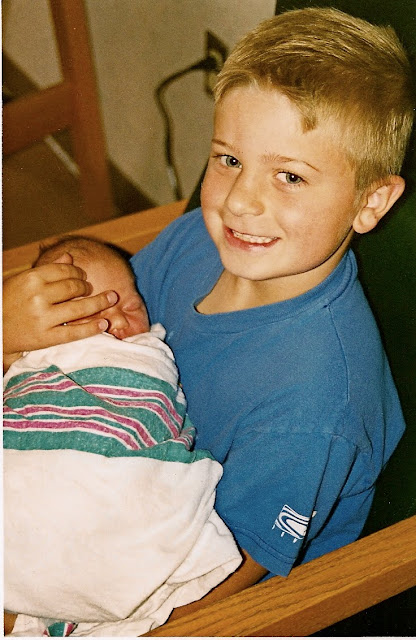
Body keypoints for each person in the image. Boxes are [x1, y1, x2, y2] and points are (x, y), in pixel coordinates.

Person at [2, 6, 414, 630]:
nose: (241, 201)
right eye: (228, 160)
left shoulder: (318, 405)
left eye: (290, 176)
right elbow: (104, 337)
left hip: (171, 586)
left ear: (371, 201)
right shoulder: (197, 237)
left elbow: (229, 571)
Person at [3, 236, 241, 636]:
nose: (114, 323)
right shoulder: (30, 349)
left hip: (117, 492)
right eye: (88, 313)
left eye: (131, 306)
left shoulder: (148, 349)